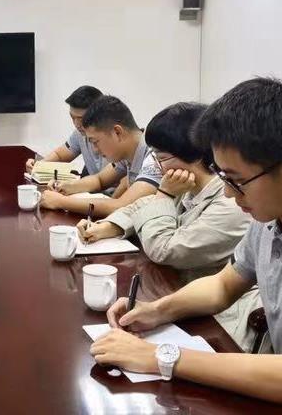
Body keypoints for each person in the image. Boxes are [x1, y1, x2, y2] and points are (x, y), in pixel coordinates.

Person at [90, 78, 282, 404]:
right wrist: (155, 311)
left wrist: (161, 357)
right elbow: (223, 285)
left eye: (237, 180)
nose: (227, 193)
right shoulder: (267, 222)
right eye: (223, 177)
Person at [79, 102, 259, 350]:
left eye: (162, 158)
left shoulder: (231, 205)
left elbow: (164, 250)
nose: (157, 166)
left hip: (220, 321)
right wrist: (109, 226)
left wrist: (163, 194)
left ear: (196, 156)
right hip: (180, 297)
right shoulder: (187, 187)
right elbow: (142, 206)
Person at [40, 95, 161, 217]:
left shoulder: (155, 157)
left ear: (117, 132)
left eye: (95, 142)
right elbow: (99, 180)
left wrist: (60, 202)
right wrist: (66, 186)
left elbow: (121, 206)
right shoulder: (128, 151)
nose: (95, 150)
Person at [25, 85, 107, 177]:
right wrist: (39, 165)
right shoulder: (80, 133)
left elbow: (100, 181)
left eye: (81, 118)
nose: (76, 124)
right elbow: (60, 155)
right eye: (72, 117)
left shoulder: (111, 138)